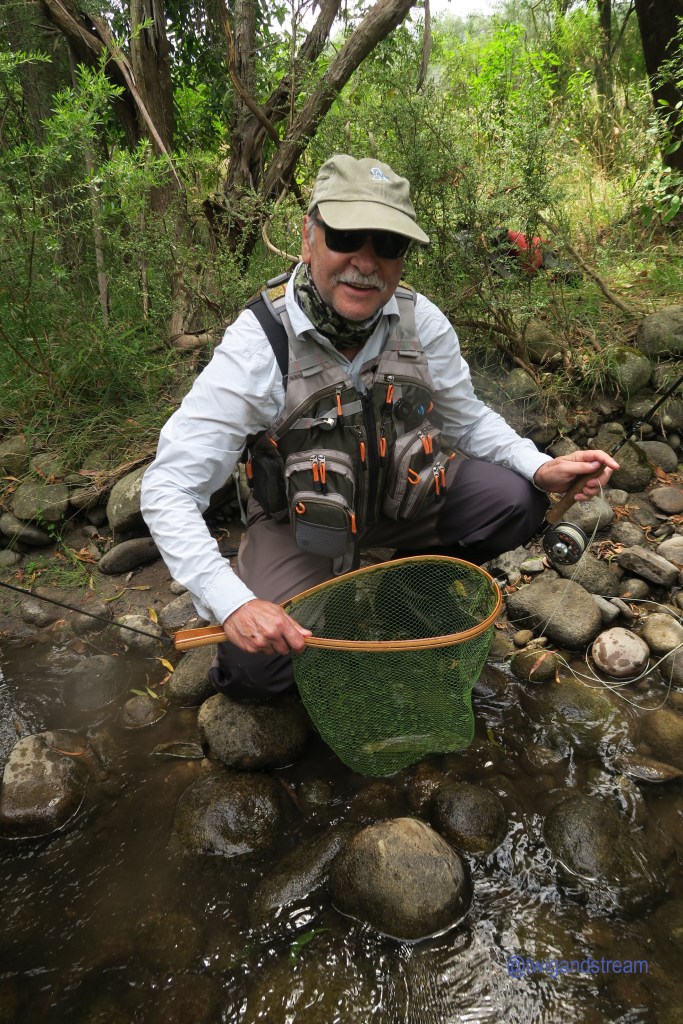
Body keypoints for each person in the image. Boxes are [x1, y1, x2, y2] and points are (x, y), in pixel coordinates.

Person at [141, 154, 618, 698]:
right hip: (304, 529)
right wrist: (235, 604)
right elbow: (169, 487)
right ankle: (311, 598)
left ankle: (410, 589)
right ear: (309, 237)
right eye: (346, 236)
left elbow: (468, 421)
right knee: (258, 673)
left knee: (518, 498)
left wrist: (541, 465)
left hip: (405, 505)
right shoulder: (258, 346)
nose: (365, 263)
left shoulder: (424, 324)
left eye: (388, 245)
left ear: (402, 256)